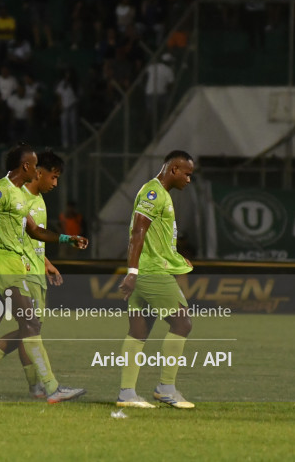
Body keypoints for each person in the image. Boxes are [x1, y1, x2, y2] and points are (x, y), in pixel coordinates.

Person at [0, 143, 88, 404]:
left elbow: (35, 232)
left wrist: (67, 239)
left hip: (12, 265)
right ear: (26, 166)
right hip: (7, 267)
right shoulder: (1, 189)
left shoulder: (20, 195)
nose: (36, 171)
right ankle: (51, 388)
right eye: (35, 166)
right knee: (30, 324)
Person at [0, 150, 69, 398]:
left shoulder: (35, 200)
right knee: (29, 327)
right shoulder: (15, 194)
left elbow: (30, 237)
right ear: (37, 171)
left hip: (31, 269)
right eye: (53, 177)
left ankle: (34, 385)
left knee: (26, 328)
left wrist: (46, 262)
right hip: (20, 272)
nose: (55, 183)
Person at [116, 150, 195, 409]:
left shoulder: (161, 194)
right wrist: (132, 272)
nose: (188, 179)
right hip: (150, 272)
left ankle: (127, 393)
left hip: (147, 269)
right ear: (174, 170)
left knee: (138, 332)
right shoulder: (154, 193)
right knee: (182, 323)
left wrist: (176, 257)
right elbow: (137, 231)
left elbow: (154, 237)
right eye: (187, 173)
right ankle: (166, 388)